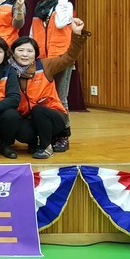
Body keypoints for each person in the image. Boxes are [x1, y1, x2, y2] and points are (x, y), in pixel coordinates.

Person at [10, 18, 89, 158]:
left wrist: (76, 34)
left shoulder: (45, 65)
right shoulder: (8, 71)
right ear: (13, 52)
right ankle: (34, 142)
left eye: (29, 51)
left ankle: (46, 146)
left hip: (53, 116)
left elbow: (69, 57)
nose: (25, 54)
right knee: (21, 131)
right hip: (28, 117)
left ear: (35, 54)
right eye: (20, 50)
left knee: (39, 110)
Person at [30, 0, 74, 112]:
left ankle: (64, 126)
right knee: (45, 97)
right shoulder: (38, 11)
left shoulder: (65, 5)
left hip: (61, 57)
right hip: (43, 59)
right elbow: (32, 35)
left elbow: (61, 23)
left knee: (60, 97)